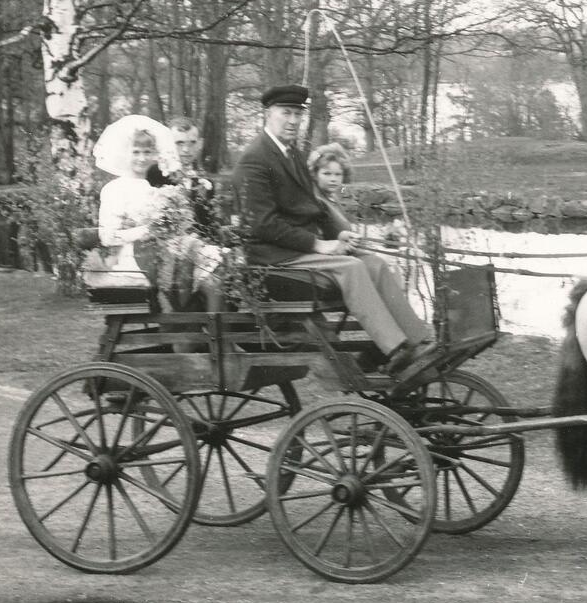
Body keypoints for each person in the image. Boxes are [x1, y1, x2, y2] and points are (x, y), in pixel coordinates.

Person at [233, 84, 442, 381]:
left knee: (375, 263)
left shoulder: (292, 154)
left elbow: (312, 207)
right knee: (353, 268)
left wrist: (340, 235)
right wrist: (318, 244)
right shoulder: (255, 159)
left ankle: (418, 340)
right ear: (268, 114)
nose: (293, 121)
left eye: (297, 114)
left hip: (300, 251)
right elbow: (261, 224)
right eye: (286, 113)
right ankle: (393, 349)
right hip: (273, 258)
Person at [92, 115, 222, 307]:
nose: (142, 158)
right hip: (133, 257)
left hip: (164, 251)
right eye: (135, 152)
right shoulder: (114, 189)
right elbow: (107, 237)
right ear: (124, 153)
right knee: (200, 273)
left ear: (155, 153)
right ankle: (186, 324)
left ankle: (207, 327)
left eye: (147, 152)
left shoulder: (153, 187)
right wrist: (149, 230)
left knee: (214, 274)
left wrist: (172, 224)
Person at [145, 116, 218, 238]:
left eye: (192, 143)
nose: (186, 149)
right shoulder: (153, 174)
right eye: (179, 143)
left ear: (200, 144)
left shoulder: (206, 183)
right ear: (167, 144)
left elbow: (208, 226)